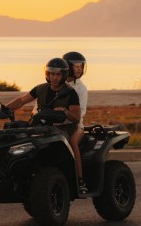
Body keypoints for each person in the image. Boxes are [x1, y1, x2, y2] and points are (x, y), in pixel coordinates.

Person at [6, 57, 85, 193]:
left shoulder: (71, 93)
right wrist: (2, 109)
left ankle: (79, 180)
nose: (54, 77)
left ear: (64, 75)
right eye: (52, 74)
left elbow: (77, 118)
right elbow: (21, 101)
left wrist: (65, 112)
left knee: (56, 143)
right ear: (47, 74)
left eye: (58, 74)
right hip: (41, 127)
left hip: (63, 128)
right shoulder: (40, 89)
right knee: (18, 136)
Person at [63, 51, 89, 194]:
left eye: (81, 66)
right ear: (67, 66)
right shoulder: (56, 84)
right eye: (76, 66)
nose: (79, 69)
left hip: (76, 125)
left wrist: (64, 115)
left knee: (73, 142)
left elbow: (81, 112)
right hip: (56, 125)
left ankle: (80, 180)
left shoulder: (81, 88)